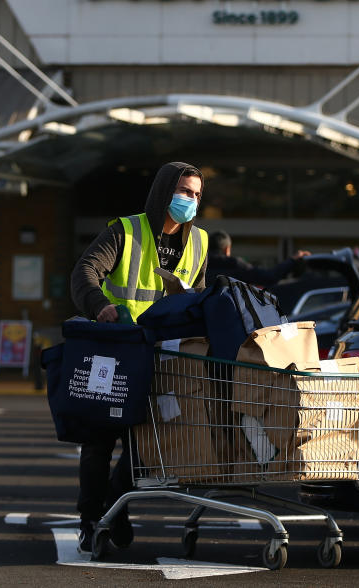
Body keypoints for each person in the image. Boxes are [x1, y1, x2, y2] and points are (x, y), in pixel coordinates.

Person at [69, 161, 209, 553]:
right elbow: (85, 273)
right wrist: (100, 306)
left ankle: (116, 504)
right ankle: (90, 519)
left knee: (147, 444)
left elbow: (196, 297)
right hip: (113, 349)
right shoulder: (126, 230)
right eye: (185, 191)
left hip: (161, 356)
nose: (191, 200)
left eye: (197, 194)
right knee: (99, 442)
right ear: (165, 191)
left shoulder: (200, 242)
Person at [205, 230, 310, 288]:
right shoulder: (235, 265)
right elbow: (270, 277)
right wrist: (292, 260)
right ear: (227, 249)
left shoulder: (199, 264)